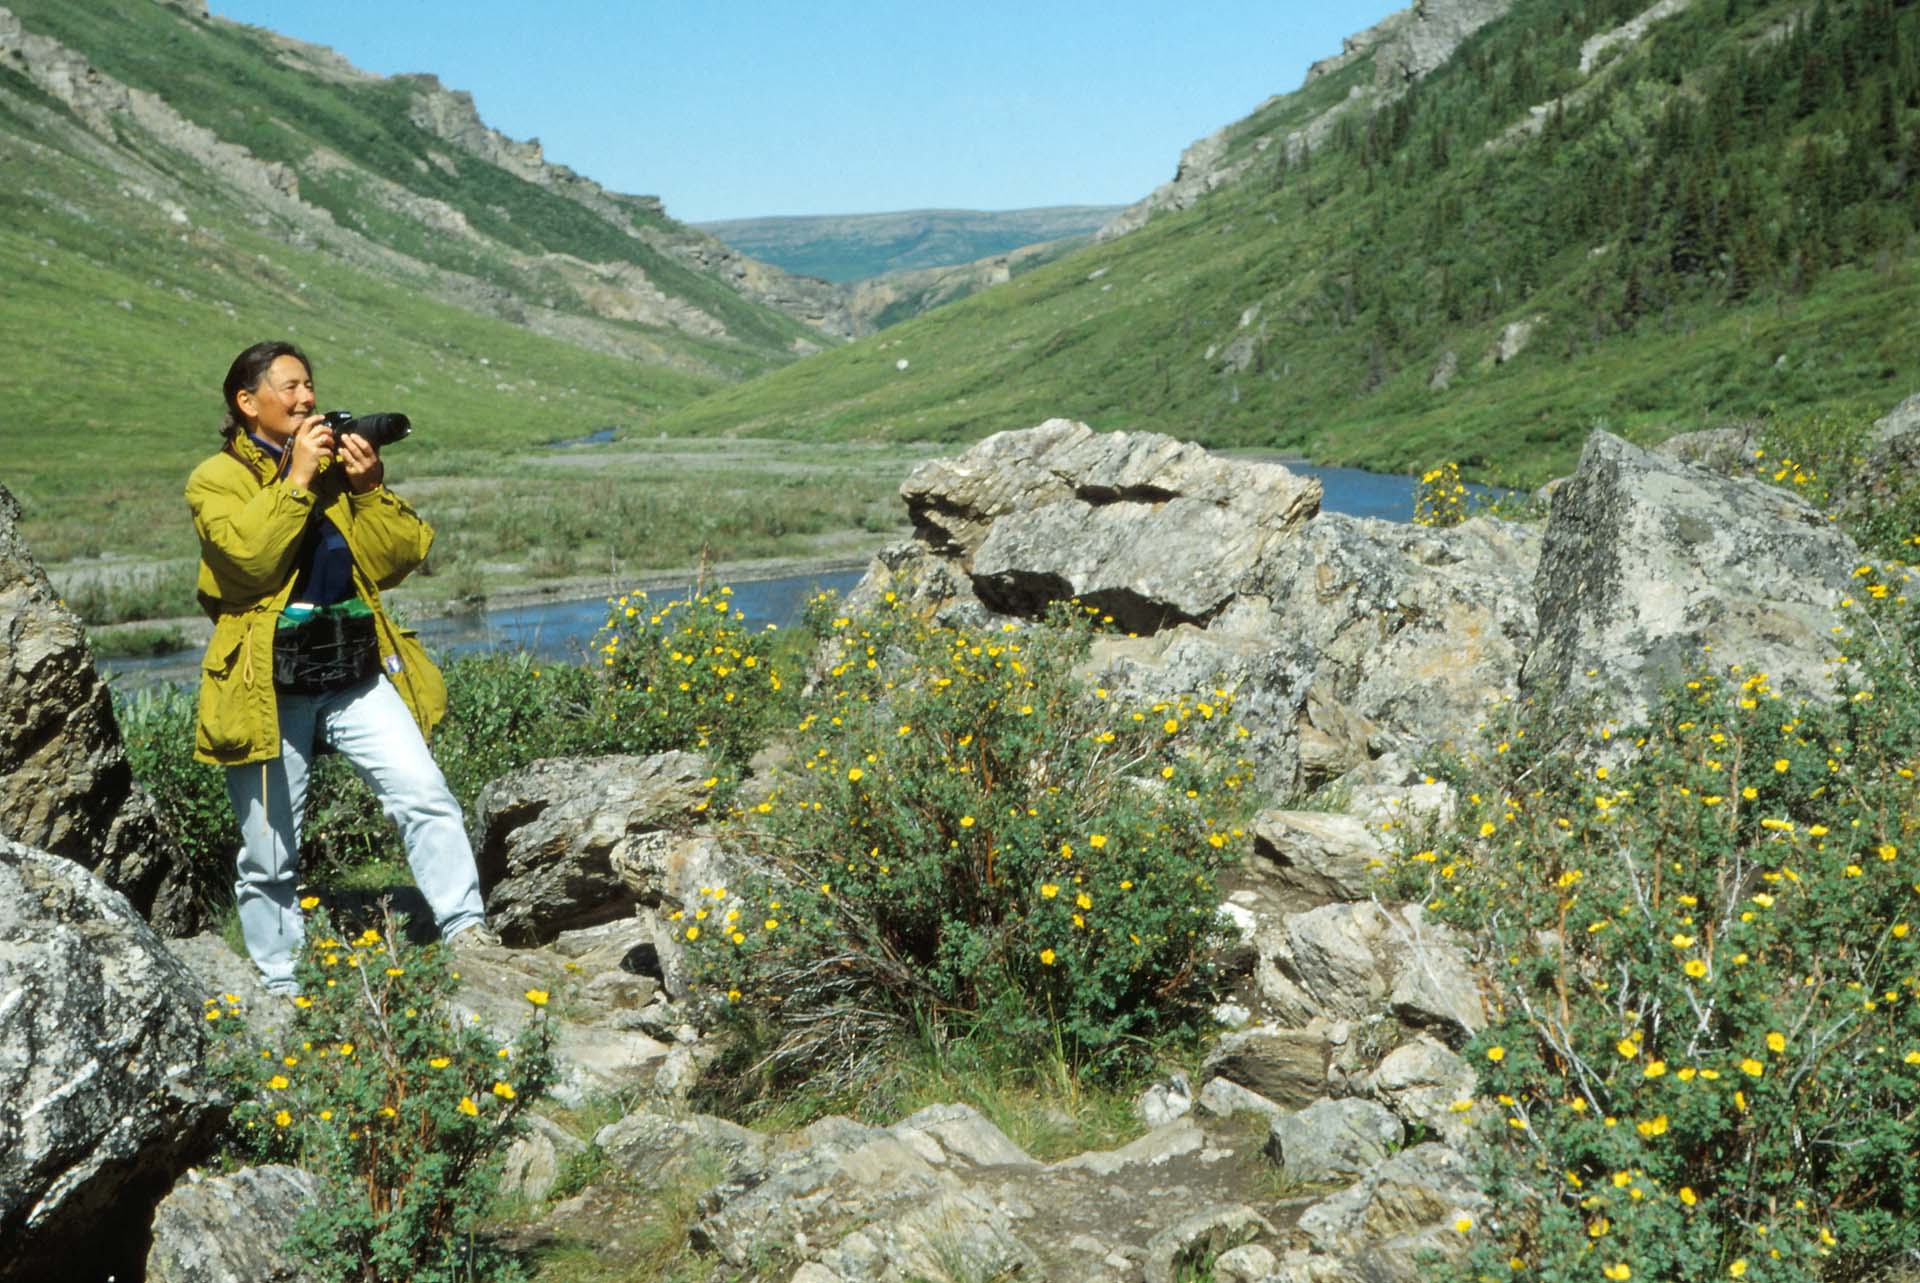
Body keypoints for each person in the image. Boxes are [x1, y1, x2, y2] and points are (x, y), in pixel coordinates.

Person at [186, 339, 496, 994]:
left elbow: (397, 558)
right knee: (269, 852)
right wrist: (296, 479)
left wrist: (369, 488)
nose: (308, 399)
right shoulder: (215, 480)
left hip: (355, 673)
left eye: (310, 386)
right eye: (291, 387)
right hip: (267, 686)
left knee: (424, 792)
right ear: (248, 402)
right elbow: (249, 560)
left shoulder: (333, 473)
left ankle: (467, 931)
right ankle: (281, 984)